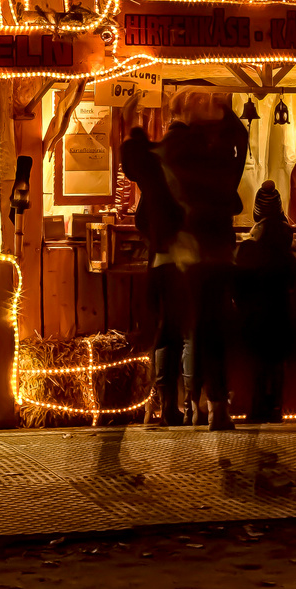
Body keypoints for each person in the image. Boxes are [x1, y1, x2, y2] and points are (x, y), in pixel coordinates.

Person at [158, 108, 249, 429]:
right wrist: (226, 113)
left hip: (190, 259)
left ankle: (190, 406)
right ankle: (217, 408)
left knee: (189, 333)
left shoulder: (178, 169)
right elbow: (241, 140)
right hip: (220, 257)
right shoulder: (223, 171)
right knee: (214, 333)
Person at [121, 125, 189, 426]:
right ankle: (194, 407)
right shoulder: (190, 178)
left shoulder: (157, 177)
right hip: (187, 263)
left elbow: (141, 219)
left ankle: (167, 405)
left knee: (166, 334)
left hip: (162, 261)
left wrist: (136, 135)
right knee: (186, 335)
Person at [234, 182, 296, 423]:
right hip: (282, 310)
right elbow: (293, 278)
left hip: (255, 314)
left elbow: (239, 283)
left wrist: (240, 305)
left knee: (258, 365)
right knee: (277, 363)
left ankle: (256, 408)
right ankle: (276, 408)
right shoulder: (289, 248)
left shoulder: (249, 248)